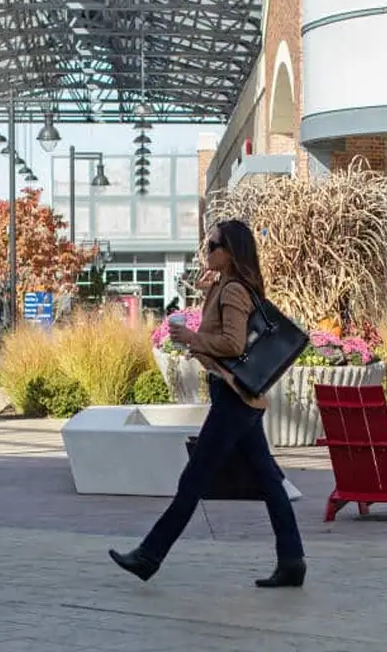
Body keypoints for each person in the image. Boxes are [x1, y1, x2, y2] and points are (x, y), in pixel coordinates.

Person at [109, 219, 306, 588]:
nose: (206, 249)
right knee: (267, 480)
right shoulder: (225, 286)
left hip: (233, 398)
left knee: (194, 478)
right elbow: (224, 340)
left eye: (213, 245)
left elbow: (232, 345)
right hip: (240, 396)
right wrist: (199, 328)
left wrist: (194, 338)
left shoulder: (232, 290)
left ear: (230, 252)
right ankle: (292, 560)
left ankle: (149, 556)